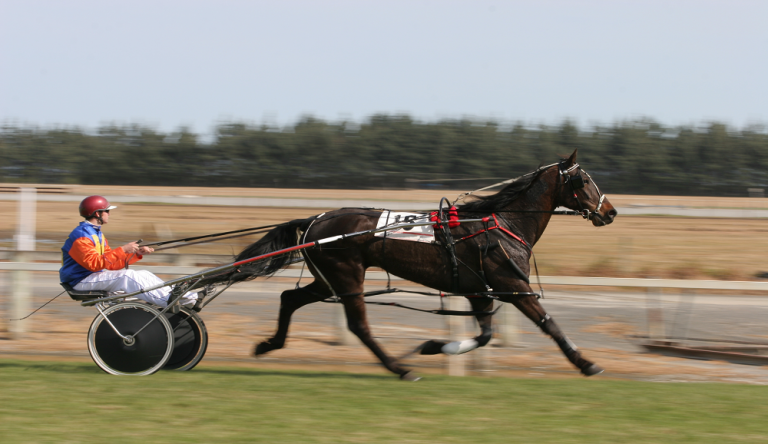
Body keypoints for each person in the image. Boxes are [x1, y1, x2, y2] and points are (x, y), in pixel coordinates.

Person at [60, 195, 198, 308]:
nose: (109, 214)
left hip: (92, 277)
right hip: (79, 281)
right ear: (97, 214)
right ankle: (169, 302)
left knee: (144, 273)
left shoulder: (97, 234)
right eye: (107, 211)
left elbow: (111, 264)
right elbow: (94, 264)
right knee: (127, 277)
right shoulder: (81, 236)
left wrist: (136, 254)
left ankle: (188, 297)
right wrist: (123, 249)